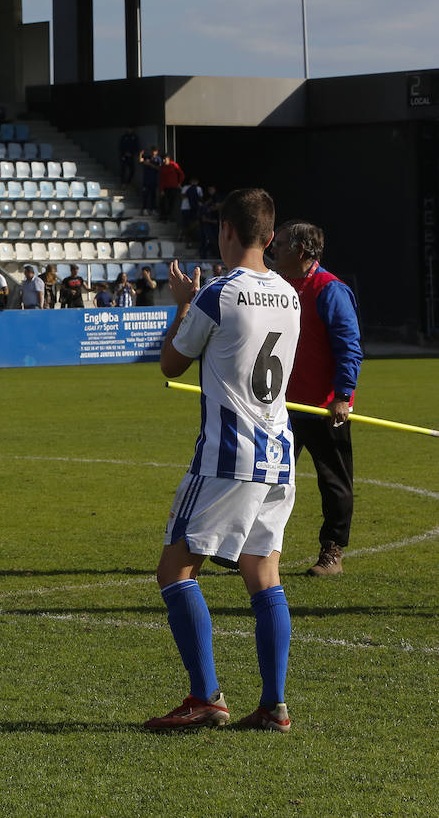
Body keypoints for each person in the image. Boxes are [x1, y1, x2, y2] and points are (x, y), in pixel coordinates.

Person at [146, 187, 301, 733]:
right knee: (263, 572)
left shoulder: (217, 295)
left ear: (227, 232)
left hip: (227, 456)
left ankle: (205, 696)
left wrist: (183, 302)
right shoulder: (290, 294)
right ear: (271, 235)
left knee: (175, 569)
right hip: (279, 455)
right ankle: (274, 704)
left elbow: (170, 365)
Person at [271, 221, 363, 578]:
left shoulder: (330, 290)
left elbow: (349, 347)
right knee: (270, 479)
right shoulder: (278, 287)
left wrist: (342, 396)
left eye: (279, 244)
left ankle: (333, 551)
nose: (272, 249)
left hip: (325, 408)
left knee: (334, 483)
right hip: (283, 406)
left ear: (302, 251)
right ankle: (256, 549)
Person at [159, 153, 185, 223]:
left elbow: (181, 174)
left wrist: (179, 183)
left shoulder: (174, 165)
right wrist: (161, 189)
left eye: (165, 159)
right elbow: (162, 179)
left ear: (168, 159)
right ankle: (163, 216)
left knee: (171, 203)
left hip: (174, 187)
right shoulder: (162, 167)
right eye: (163, 159)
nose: (164, 160)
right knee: (163, 202)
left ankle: (169, 216)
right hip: (166, 188)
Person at [139, 145, 162, 217]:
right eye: (152, 151)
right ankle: (145, 209)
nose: (153, 152)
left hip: (154, 180)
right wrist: (140, 154)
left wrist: (150, 164)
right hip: (146, 179)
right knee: (145, 194)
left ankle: (153, 209)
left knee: (153, 195)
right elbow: (141, 161)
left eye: (155, 151)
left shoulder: (158, 159)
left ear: (157, 152)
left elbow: (159, 168)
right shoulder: (147, 157)